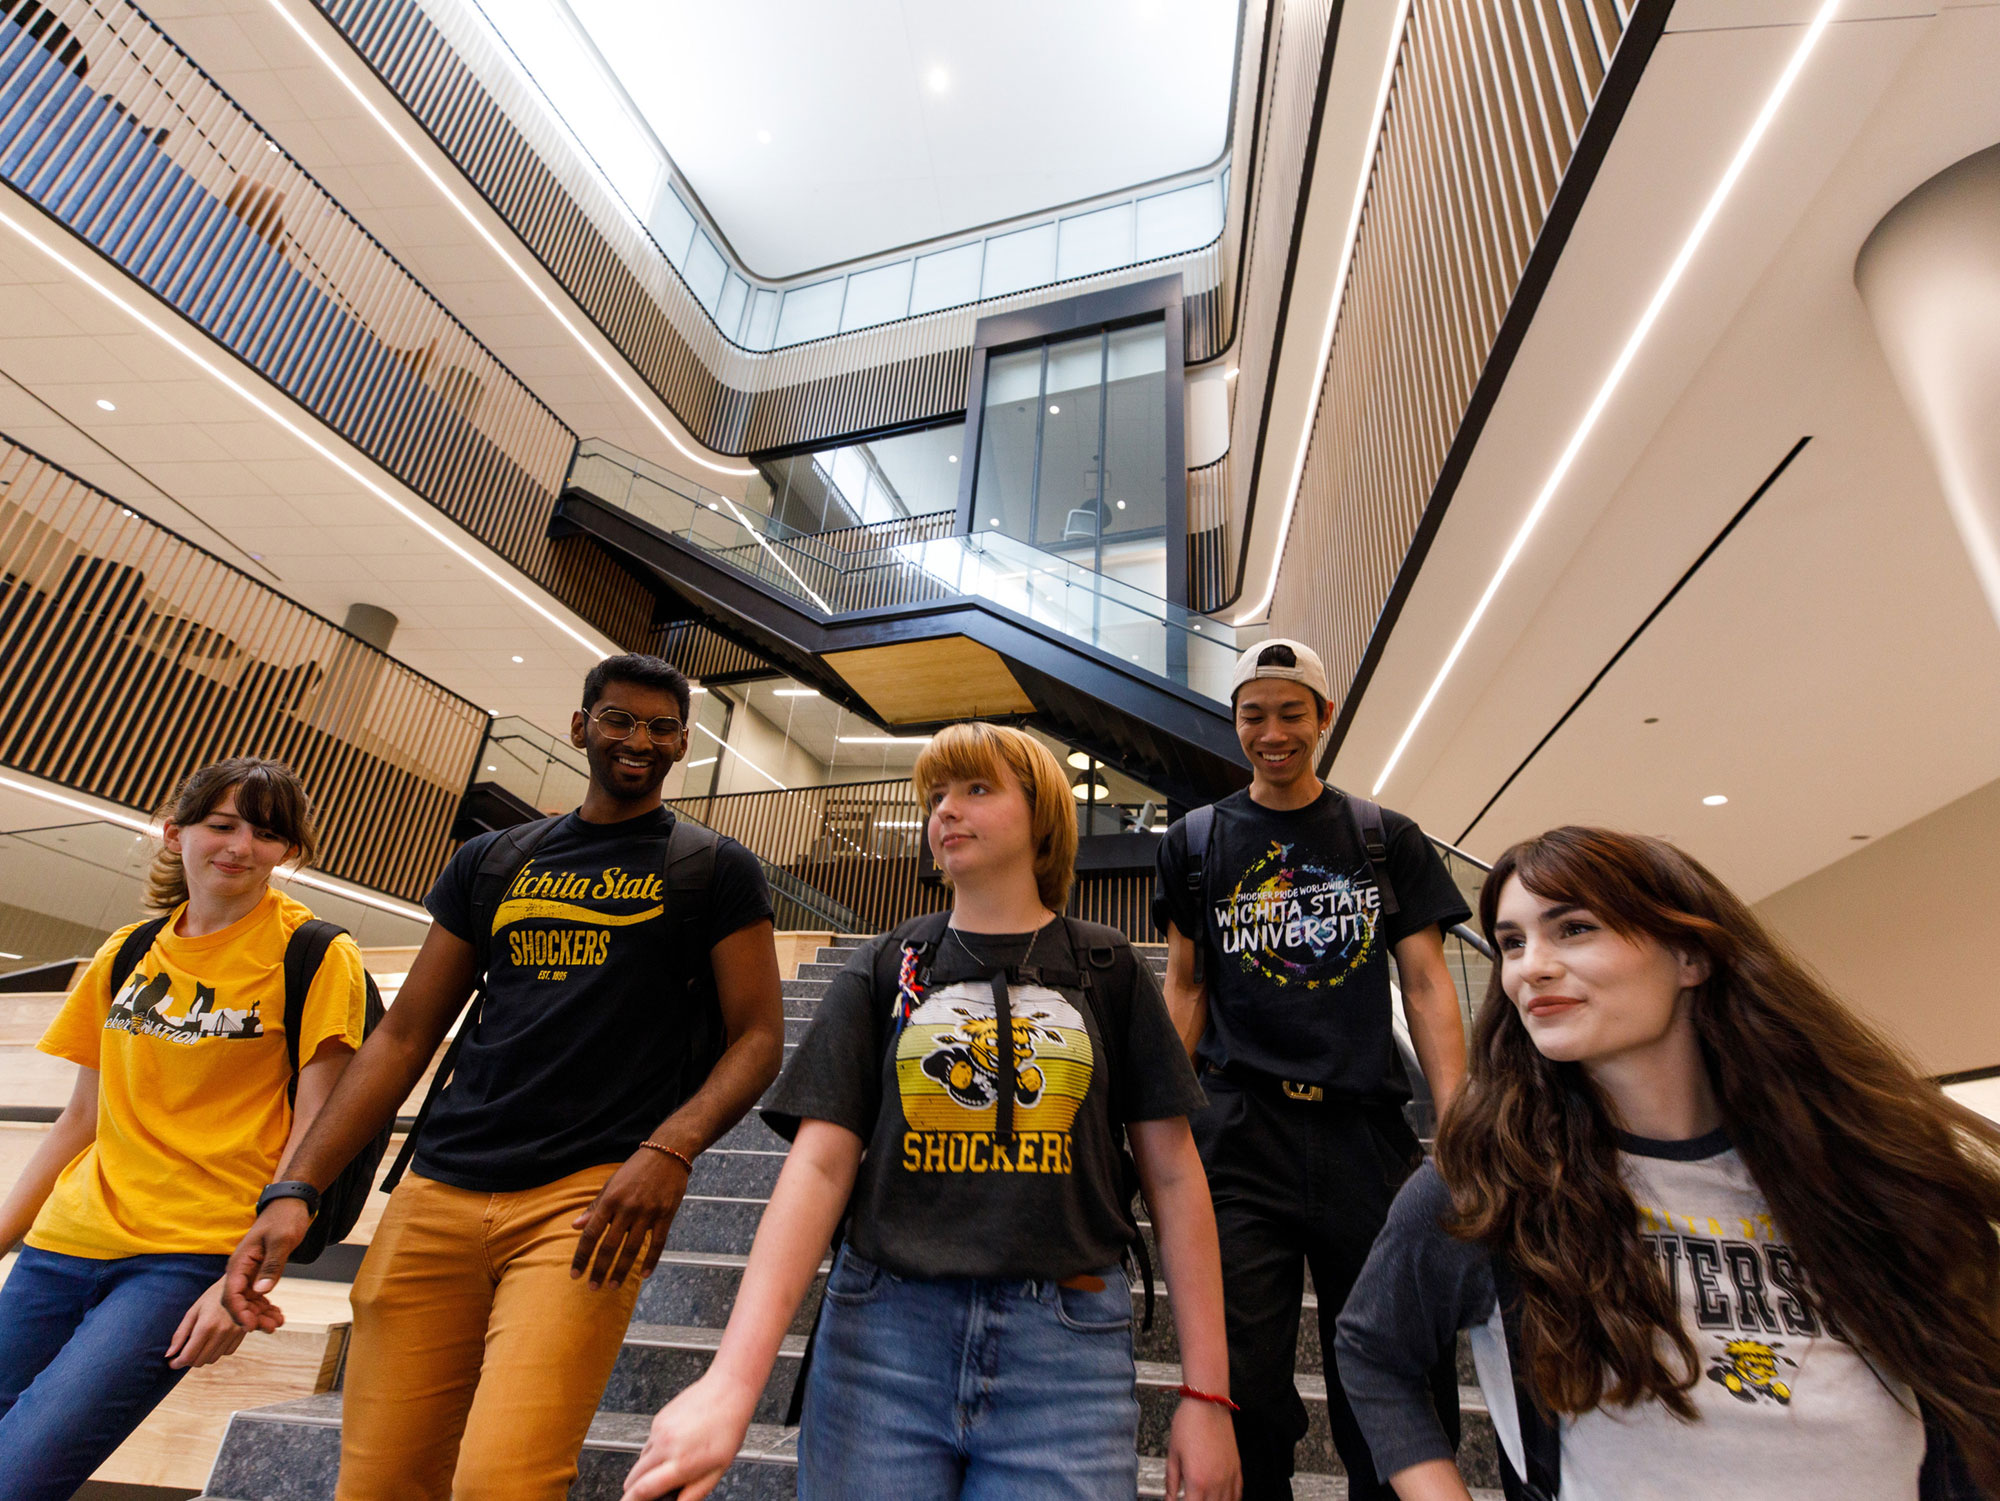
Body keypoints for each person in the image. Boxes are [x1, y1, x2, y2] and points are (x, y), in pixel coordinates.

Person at [621, 722, 1241, 1501]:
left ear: (1042, 813)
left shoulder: (1110, 967)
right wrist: (733, 1380)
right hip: (881, 1340)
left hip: (1067, 1353)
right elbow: (817, 1166)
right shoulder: (883, 966)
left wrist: (1206, 1393)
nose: (946, 809)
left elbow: (1178, 1179)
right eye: (936, 795)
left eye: (977, 789)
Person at [222, 653, 786, 1501]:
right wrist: (295, 1184)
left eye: (662, 727)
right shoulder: (493, 860)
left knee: (502, 1481)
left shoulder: (712, 867)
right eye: (620, 719)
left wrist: (670, 1149)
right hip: (437, 1194)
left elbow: (759, 1038)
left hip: (586, 1203)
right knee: (378, 1482)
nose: (639, 739)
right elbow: (405, 1034)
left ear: (681, 747)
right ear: (580, 726)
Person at [1334, 825, 2000, 1500]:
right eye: (1510, 942)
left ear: (1691, 954)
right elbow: (1371, 1349)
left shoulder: (1867, 1173)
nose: (1530, 966)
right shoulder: (1492, 1183)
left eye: (1574, 929)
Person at [1153, 639, 1472, 1501]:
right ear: (1236, 724)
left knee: (1392, 1359)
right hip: (1239, 1131)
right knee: (1242, 1378)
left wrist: (1465, 1131)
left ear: (1324, 718)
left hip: (1363, 1134)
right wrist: (1155, 1127)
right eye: (1254, 714)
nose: (1272, 731)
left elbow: (1430, 985)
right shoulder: (1195, 843)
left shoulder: (1383, 839)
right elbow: (1184, 989)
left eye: (1292, 712)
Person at [0, 758, 362, 1501]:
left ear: (288, 852)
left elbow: (316, 1131)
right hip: (62, 1244)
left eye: (266, 832)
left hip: (183, 1258)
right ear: (175, 833)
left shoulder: (319, 953)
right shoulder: (129, 951)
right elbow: (79, 1120)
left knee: (22, 1472)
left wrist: (245, 1274)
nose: (240, 845)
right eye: (221, 825)